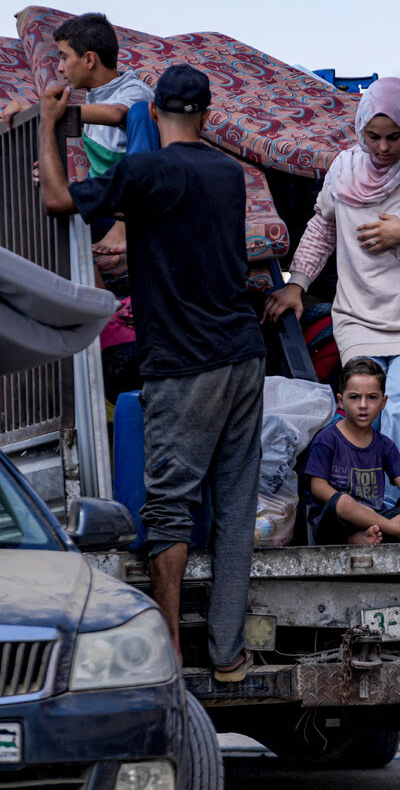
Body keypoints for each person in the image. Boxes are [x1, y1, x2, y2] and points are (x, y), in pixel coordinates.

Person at [38, 63, 266, 683]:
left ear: (152, 111)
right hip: (245, 355)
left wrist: (51, 126)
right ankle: (227, 654)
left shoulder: (144, 170)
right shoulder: (228, 173)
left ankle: (167, 643)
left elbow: (58, 200)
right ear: (208, 115)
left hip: (185, 362)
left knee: (169, 505)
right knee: (236, 508)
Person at [263, 77, 400, 504]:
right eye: (373, 136)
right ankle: (357, 502)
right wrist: (297, 284)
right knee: (362, 402)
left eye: (394, 136)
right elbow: (322, 226)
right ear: (359, 131)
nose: (383, 147)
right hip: (358, 316)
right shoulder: (344, 168)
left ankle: (387, 503)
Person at [2, 13, 153, 274]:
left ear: (89, 59)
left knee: (61, 221)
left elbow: (117, 113)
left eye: (63, 57)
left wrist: (44, 114)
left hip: (128, 207)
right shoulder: (92, 97)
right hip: (103, 202)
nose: (60, 68)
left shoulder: (134, 91)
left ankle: (104, 305)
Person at [304, 357, 400, 545]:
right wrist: (357, 510)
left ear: (383, 402)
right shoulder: (327, 439)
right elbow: (317, 487)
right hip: (337, 521)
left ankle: (368, 535)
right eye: (354, 397)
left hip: (374, 517)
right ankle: (399, 532)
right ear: (341, 401)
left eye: (372, 398)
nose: (363, 405)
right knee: (344, 502)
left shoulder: (384, 444)